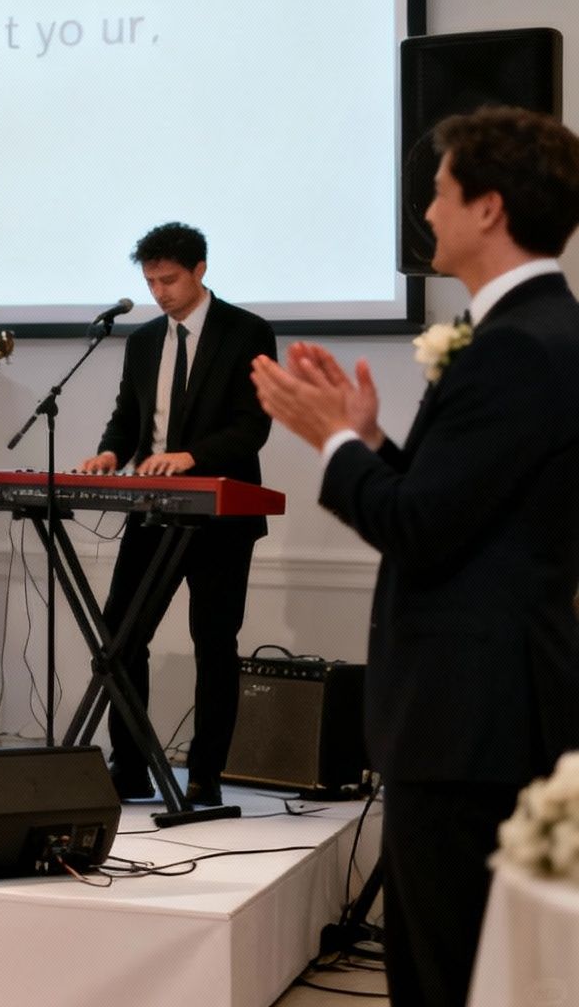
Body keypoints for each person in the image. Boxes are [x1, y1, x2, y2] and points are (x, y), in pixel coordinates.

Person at [252, 106, 579, 1007]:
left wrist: (331, 445)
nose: (425, 212)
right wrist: (368, 441)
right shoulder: (537, 331)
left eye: (438, 192)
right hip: (488, 710)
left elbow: (422, 530)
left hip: (470, 719)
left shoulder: (515, 346)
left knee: (442, 974)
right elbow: (457, 508)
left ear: (489, 208)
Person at [76, 222, 276, 806]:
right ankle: (130, 765)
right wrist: (113, 451)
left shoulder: (247, 331)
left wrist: (193, 456)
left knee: (214, 640)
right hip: (151, 509)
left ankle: (208, 774)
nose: (159, 292)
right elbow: (128, 417)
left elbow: (252, 426)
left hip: (221, 513)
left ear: (200, 270)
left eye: (168, 280)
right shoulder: (142, 342)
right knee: (120, 634)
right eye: (150, 281)